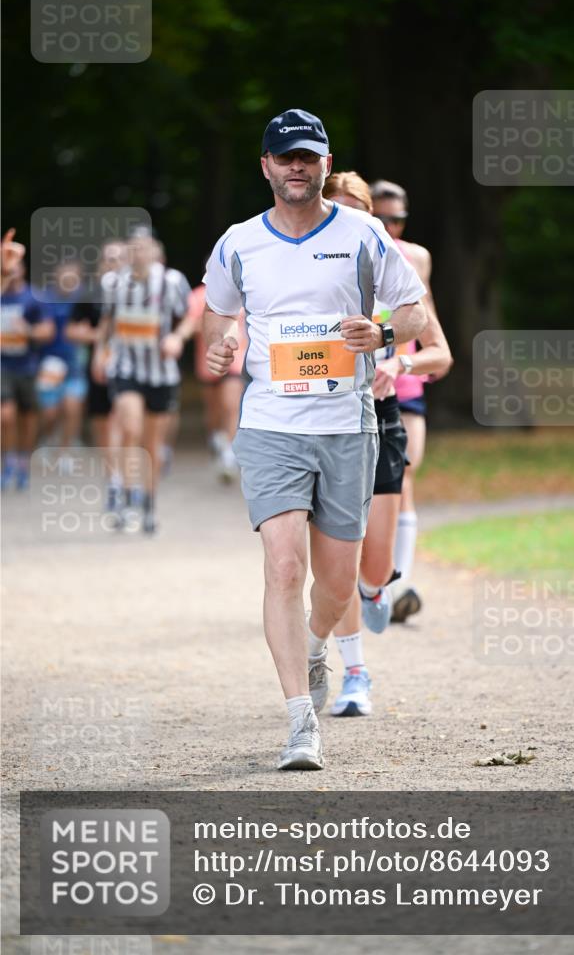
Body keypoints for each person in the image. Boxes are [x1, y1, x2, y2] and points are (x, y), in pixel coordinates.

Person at [203, 109, 427, 770]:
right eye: (284, 156)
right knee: (282, 565)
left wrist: (384, 334)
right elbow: (218, 315)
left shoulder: (362, 232)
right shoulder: (238, 242)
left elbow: (413, 310)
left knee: (336, 585)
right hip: (270, 424)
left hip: (346, 425)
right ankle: (300, 722)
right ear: (265, 166)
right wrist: (221, 345)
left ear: (325, 165)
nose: (296, 166)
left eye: (307, 156)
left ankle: (314, 643)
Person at [323, 172, 452, 716]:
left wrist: (397, 359)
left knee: (371, 568)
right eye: (338, 210)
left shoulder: (397, 274)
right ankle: (354, 673)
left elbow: (440, 354)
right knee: (335, 559)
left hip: (381, 414)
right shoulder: (296, 269)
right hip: (319, 420)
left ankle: (381, 586)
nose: (347, 220)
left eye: (358, 211)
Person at [370, 179, 440, 623]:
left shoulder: (416, 257)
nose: (391, 227)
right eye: (382, 219)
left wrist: (426, 355)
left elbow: (425, 312)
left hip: (405, 382)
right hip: (358, 381)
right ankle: (370, 581)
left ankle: (401, 582)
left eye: (397, 219)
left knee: (405, 475)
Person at [92, 232, 191, 533]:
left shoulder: (172, 281)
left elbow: (190, 317)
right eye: (133, 249)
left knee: (152, 443)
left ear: (155, 252)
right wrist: (99, 353)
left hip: (161, 372)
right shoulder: (113, 283)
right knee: (129, 427)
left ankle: (148, 503)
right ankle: (123, 494)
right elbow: (106, 322)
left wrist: (177, 337)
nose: (138, 253)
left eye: (144, 248)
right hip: (126, 367)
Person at [66, 239, 127, 507]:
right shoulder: (91, 292)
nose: (112, 264)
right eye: (108, 259)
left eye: (118, 258)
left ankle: (122, 481)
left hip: (130, 370)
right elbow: (71, 330)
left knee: (121, 423)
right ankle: (113, 477)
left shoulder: (139, 291)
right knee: (103, 427)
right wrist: (99, 338)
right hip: (100, 367)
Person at [1, 230, 54, 490]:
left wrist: (28, 331)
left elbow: (48, 331)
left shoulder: (33, 297)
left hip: (27, 365)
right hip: (3, 366)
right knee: (6, 416)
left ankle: (23, 458)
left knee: (28, 417)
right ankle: (8, 459)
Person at [186, 280, 247, 482]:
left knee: (231, 406)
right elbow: (190, 323)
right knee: (214, 411)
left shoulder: (246, 290)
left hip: (236, 361)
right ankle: (217, 438)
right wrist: (212, 325)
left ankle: (229, 454)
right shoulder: (198, 295)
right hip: (209, 362)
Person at [35, 260, 89, 463]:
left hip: (75, 361)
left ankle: (66, 449)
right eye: (65, 275)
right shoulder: (44, 298)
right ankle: (48, 439)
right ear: (56, 276)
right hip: (49, 362)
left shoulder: (85, 298)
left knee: (72, 406)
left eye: (73, 276)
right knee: (50, 411)